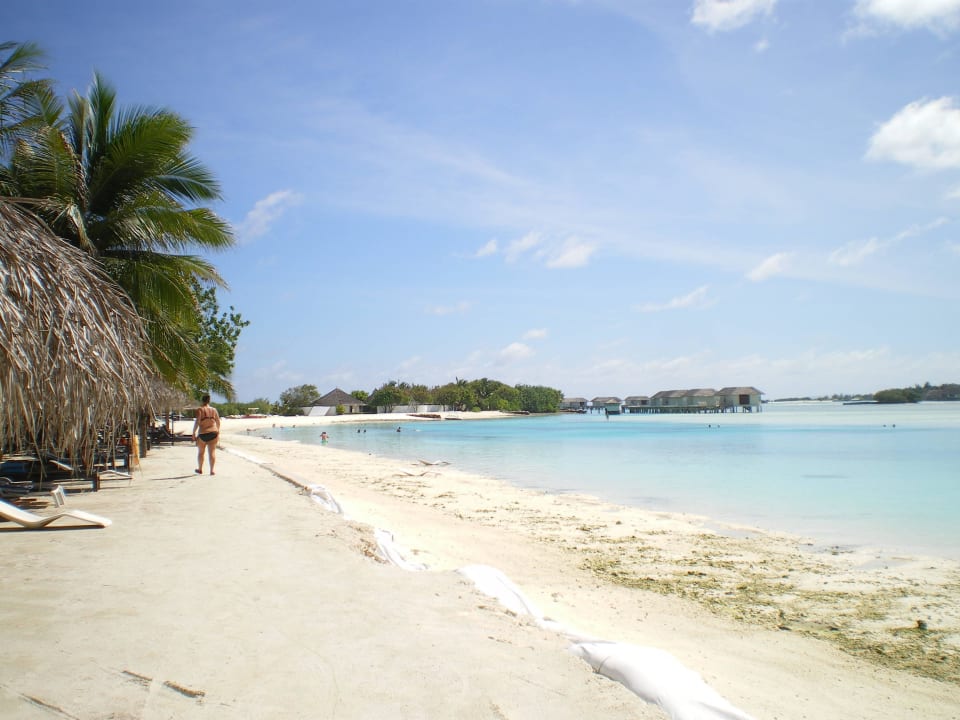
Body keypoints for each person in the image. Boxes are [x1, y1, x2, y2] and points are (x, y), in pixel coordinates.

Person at [192, 394, 221, 475]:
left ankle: (200, 469)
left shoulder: (200, 409)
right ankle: (212, 470)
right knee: (212, 452)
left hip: (203, 433)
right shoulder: (214, 410)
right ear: (209, 401)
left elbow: (197, 422)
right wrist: (218, 430)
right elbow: (218, 421)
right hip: (213, 432)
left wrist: (193, 432)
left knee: (201, 452)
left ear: (202, 400)